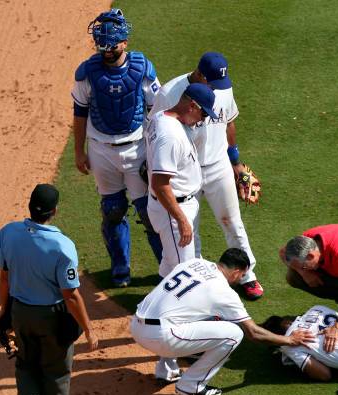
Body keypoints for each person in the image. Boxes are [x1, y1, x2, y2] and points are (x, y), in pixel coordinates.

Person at [148, 52, 264, 300]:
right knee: (190, 230)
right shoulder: (170, 92)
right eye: (210, 83)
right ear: (199, 74)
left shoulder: (221, 86)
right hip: (184, 171)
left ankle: (246, 274)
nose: (216, 89)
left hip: (218, 164)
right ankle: (196, 280)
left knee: (232, 221)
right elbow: (156, 128)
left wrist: (236, 163)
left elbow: (228, 122)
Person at [130, 248, 314, 395]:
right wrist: (288, 340)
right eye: (241, 275)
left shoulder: (194, 263)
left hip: (136, 325)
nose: (239, 279)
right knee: (234, 334)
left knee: (187, 313)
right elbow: (253, 333)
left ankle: (166, 371)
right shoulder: (224, 292)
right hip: (162, 337)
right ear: (236, 272)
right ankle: (191, 385)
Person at [71, 8, 163, 287]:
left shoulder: (142, 69)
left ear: (124, 42)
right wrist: (78, 151)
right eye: (101, 45)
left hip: (137, 148)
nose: (105, 51)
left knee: (148, 212)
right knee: (112, 209)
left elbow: (156, 111)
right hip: (100, 149)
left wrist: (157, 151)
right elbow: (79, 112)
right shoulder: (87, 73)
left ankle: (167, 269)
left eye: (110, 45)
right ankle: (120, 268)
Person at [0, 184, 99, 395]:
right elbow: (71, 295)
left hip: (20, 312)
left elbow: (4, 279)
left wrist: (5, 314)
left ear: (30, 205)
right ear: (55, 210)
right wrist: (88, 329)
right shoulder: (62, 245)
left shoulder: (8, 233)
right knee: (56, 374)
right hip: (52, 318)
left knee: (26, 369)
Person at [145, 83, 217, 278]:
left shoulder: (161, 117)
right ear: (192, 106)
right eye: (204, 114)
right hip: (172, 210)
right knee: (185, 276)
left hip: (177, 206)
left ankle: (151, 306)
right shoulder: (170, 136)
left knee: (170, 265)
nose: (203, 120)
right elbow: (160, 184)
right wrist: (181, 220)